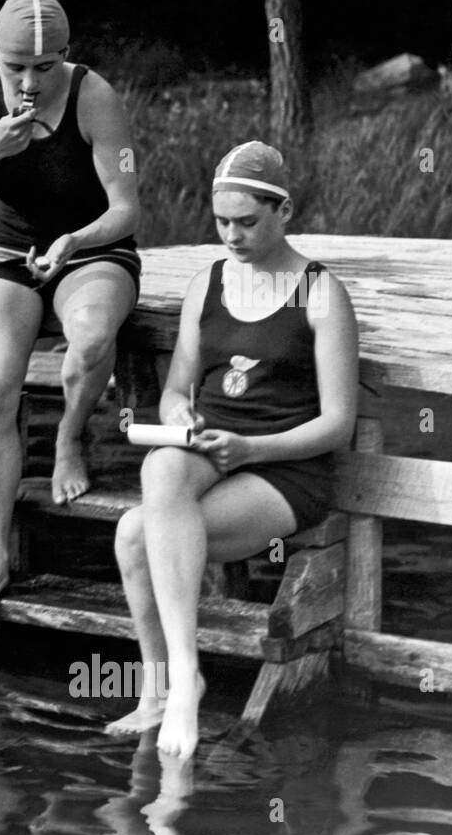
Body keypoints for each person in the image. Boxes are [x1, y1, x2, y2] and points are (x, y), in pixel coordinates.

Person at [107, 141, 359, 758]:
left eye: (247, 222)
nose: (233, 236)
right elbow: (174, 388)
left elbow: (338, 424)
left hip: (284, 465)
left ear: (284, 212)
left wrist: (252, 448)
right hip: (208, 448)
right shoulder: (209, 282)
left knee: (135, 536)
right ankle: (168, 689)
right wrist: (178, 413)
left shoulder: (321, 294)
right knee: (162, 464)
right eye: (222, 222)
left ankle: (175, 687)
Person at [0, 0, 142, 614]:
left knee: (93, 336)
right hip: (13, 242)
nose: (30, 82)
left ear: (65, 57)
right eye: (17, 68)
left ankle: (71, 435)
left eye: (45, 68)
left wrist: (77, 239)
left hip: (93, 244)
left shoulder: (97, 97)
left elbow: (127, 206)